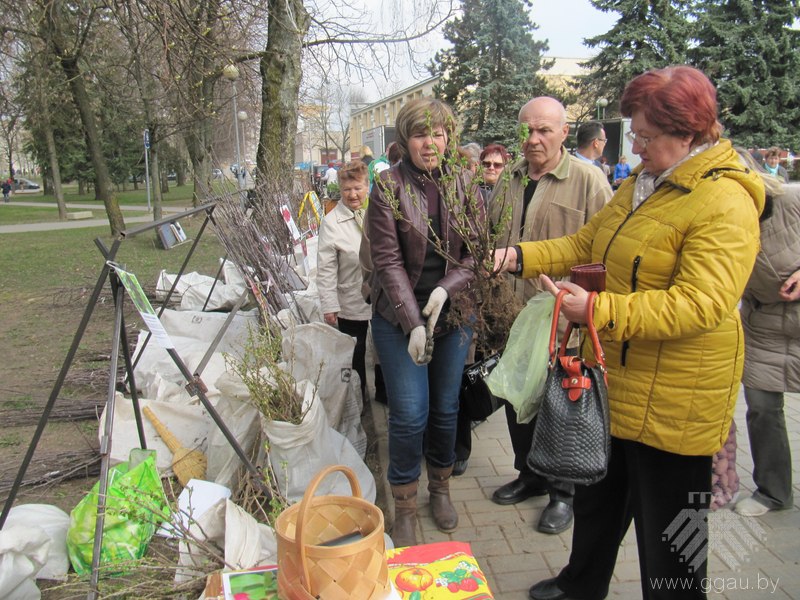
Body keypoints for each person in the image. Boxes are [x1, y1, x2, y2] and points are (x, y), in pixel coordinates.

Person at [494, 65, 764, 600]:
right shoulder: (643, 185)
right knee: (599, 499)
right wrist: (517, 256)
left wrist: (595, 309)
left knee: (670, 535)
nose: (635, 146)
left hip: (676, 401)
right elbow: (586, 242)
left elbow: (701, 304)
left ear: (685, 133)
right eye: (633, 134)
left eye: (645, 135)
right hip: (619, 380)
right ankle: (581, 583)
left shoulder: (724, 201)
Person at [489, 97, 611, 535]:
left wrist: (583, 307)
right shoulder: (509, 181)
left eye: (544, 130)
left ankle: (564, 492)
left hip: (562, 320)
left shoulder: (589, 181)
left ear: (563, 132)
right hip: (510, 314)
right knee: (517, 395)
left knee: (561, 402)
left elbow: (604, 255)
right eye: (527, 130)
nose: (534, 139)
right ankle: (530, 474)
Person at [365, 97, 481, 548]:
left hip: (452, 314)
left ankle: (441, 487)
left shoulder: (465, 183)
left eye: (437, 133)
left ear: (448, 137)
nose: (430, 143)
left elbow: (477, 254)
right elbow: (388, 261)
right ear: (404, 140)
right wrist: (413, 320)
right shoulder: (387, 187)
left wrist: (444, 289)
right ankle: (406, 502)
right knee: (410, 413)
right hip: (398, 316)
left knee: (446, 408)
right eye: (419, 134)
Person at [733, 153, 798, 518]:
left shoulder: (792, 199)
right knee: (761, 407)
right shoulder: (726, 220)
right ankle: (773, 491)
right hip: (763, 324)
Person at [316, 160, 372, 404]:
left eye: (358, 188)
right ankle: (359, 400)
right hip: (351, 298)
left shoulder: (378, 213)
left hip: (382, 297)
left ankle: (385, 393)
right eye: (347, 189)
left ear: (367, 186)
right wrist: (329, 304)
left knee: (384, 352)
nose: (353, 194)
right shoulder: (331, 223)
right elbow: (326, 268)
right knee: (355, 352)